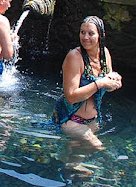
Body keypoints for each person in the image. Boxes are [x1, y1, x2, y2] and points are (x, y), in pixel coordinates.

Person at [52, 16, 123, 149]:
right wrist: (100, 83)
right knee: (97, 146)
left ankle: (67, 166)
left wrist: (114, 82)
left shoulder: (105, 54)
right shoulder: (74, 57)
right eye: (82, 32)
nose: (85, 37)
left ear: (101, 36)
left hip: (92, 120)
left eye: (91, 33)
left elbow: (107, 85)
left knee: (76, 155)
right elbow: (71, 97)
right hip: (71, 119)